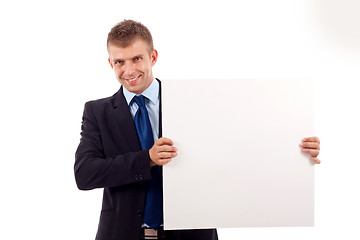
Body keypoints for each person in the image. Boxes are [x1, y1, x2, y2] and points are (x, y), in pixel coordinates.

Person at [74, 19, 321, 240]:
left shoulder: (194, 101)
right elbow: (85, 174)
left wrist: (294, 151)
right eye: (119, 61)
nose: (128, 71)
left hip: (191, 235)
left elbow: (243, 142)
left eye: (137, 58)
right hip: (123, 233)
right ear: (110, 63)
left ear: (153, 57)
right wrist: (147, 159)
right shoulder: (98, 112)